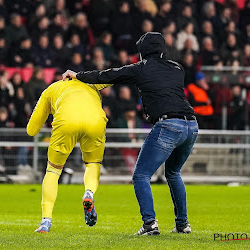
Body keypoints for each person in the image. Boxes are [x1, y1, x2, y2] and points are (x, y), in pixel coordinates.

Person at [63, 32, 198, 235]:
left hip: (168, 124)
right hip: (191, 126)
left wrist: (78, 76)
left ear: (143, 52)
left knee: (141, 175)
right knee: (173, 173)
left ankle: (150, 224)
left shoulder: (140, 68)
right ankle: (182, 224)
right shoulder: (178, 68)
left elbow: (108, 75)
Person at [27, 78, 111, 233]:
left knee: (53, 170)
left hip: (66, 121)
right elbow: (112, 77)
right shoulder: (91, 81)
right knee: (93, 164)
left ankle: (46, 220)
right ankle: (89, 192)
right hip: (95, 120)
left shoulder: (51, 90)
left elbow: (31, 129)